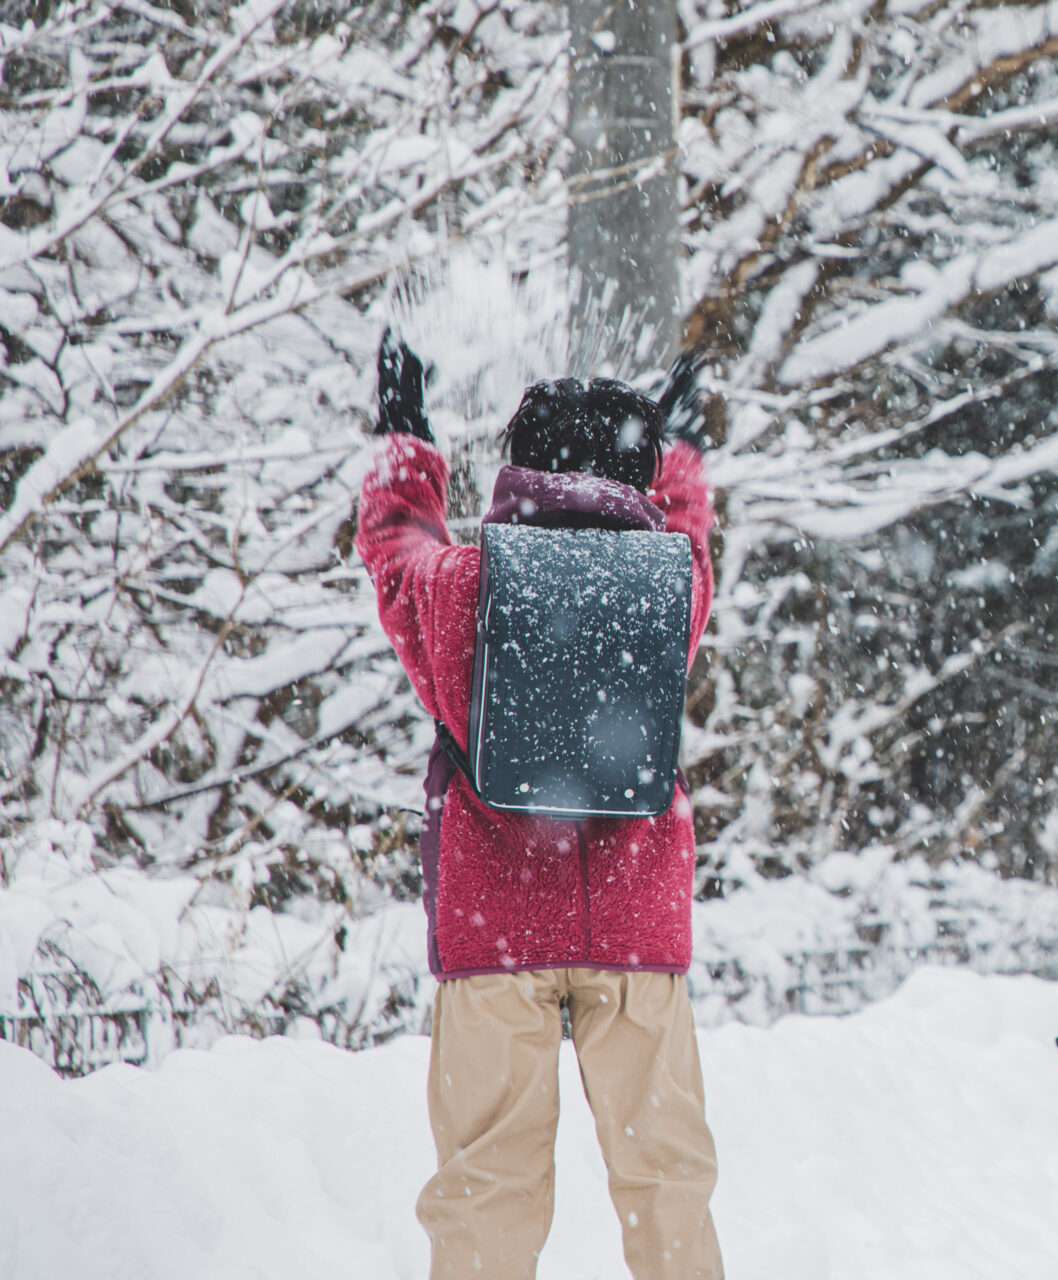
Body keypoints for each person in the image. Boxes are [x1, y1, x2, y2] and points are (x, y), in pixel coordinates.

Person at [356, 331, 723, 1280]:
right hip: (638, 930)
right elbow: (690, 531)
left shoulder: (461, 587)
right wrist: (681, 449)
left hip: (494, 932)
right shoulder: (667, 582)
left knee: (487, 1189)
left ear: (520, 466)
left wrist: (405, 437)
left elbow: (395, 546)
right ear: (633, 474)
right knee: (667, 1181)